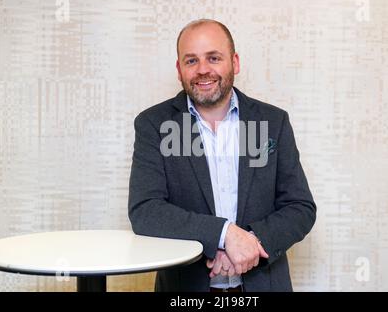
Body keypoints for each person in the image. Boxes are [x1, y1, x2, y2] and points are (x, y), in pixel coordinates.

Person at [128, 19, 316, 292]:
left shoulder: (274, 122)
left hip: (264, 285)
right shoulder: (153, 125)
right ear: (179, 70)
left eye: (213, 58)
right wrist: (224, 235)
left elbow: (300, 208)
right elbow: (145, 211)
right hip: (187, 290)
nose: (203, 70)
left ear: (235, 63)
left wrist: (249, 244)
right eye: (191, 61)